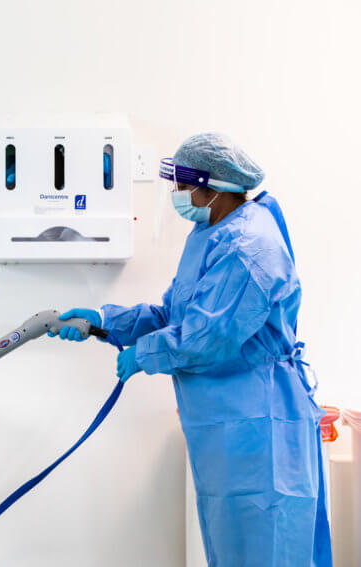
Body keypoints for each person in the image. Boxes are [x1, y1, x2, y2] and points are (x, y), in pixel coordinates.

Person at [52, 133, 332, 566]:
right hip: (227, 427)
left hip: (262, 424)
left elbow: (209, 336)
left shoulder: (248, 246)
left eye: (183, 186)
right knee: (233, 547)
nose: (178, 196)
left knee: (271, 546)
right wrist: (103, 322)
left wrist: (143, 355)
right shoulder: (210, 233)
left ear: (212, 187)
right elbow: (176, 315)